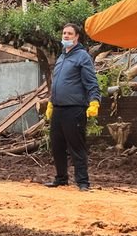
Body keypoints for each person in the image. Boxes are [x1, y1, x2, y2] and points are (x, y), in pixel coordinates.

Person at [41, 23, 100, 191]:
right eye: (64, 33)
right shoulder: (61, 57)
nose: (65, 36)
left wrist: (94, 100)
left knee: (76, 146)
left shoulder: (82, 56)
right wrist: (51, 102)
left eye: (69, 34)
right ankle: (61, 178)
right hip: (58, 108)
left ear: (76, 37)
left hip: (74, 109)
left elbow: (91, 82)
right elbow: (58, 83)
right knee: (57, 145)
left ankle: (83, 182)